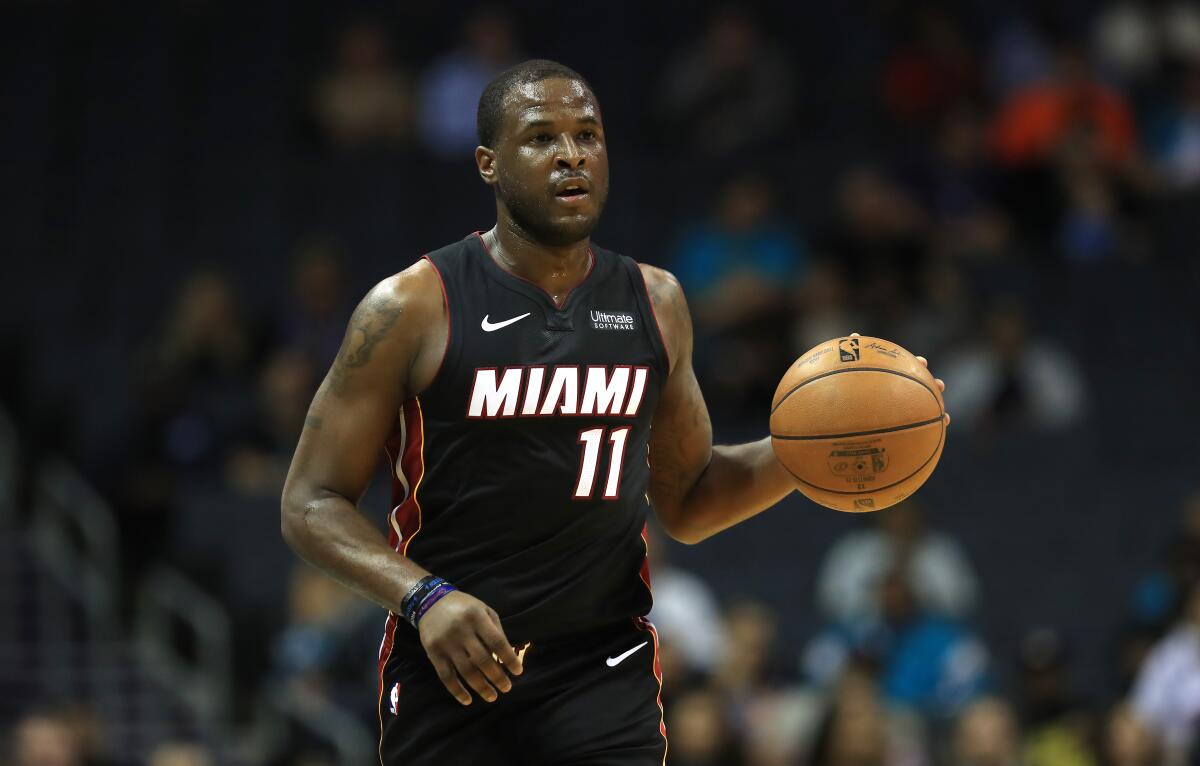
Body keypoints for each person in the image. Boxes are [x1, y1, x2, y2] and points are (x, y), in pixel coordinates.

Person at [281, 59, 950, 764]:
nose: (571, 154)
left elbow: (689, 502)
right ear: (489, 163)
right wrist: (422, 597)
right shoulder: (412, 307)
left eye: (588, 135)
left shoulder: (655, 304)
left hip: (600, 668)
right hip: (452, 663)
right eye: (542, 138)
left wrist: (810, 447)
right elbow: (309, 501)